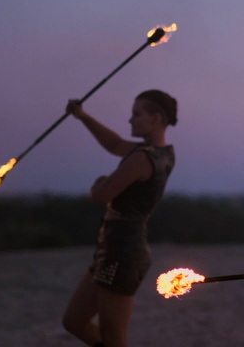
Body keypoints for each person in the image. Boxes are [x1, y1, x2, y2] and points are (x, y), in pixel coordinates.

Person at [61, 89, 177, 347]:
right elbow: (114, 144)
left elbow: (101, 195)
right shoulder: (163, 153)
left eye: (137, 114)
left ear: (155, 118)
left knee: (114, 338)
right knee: (74, 321)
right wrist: (82, 116)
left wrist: (99, 183)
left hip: (124, 252)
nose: (130, 120)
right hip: (113, 246)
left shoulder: (143, 158)